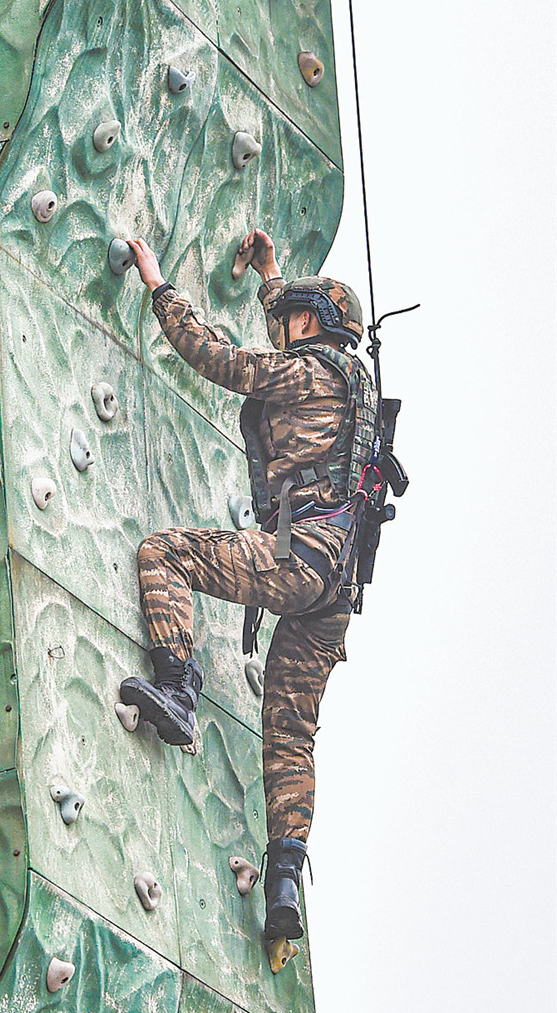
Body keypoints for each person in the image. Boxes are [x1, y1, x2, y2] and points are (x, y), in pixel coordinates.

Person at [119, 230, 378, 955]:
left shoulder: (308, 373)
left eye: (292, 315)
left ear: (312, 329)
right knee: (291, 732)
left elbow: (225, 361)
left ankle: (178, 686)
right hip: (337, 587)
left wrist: (158, 284)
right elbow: (290, 330)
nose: (283, 322)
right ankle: (285, 885)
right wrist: (271, 275)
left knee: (164, 555)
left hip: (297, 560)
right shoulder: (350, 382)